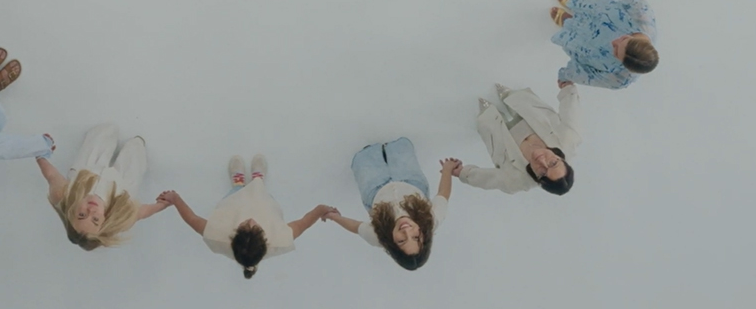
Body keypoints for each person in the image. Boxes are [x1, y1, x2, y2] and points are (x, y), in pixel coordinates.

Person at [159, 156, 333, 278]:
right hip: (263, 202)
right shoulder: (281, 239)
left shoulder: (217, 235)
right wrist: (319, 210)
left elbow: (192, 219)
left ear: (233, 236)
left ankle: (238, 183)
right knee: (261, 192)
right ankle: (258, 182)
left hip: (234, 203)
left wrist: (175, 199)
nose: (250, 220)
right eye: (256, 227)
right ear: (265, 239)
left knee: (236, 193)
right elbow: (303, 223)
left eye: (244, 226)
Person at [318, 140, 456, 270]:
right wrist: (447, 170)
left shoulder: (377, 237)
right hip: (411, 182)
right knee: (400, 146)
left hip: (375, 191)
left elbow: (355, 226)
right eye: (415, 237)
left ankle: (371, 154)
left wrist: (334, 217)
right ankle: (393, 148)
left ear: (391, 243)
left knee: (363, 157)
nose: (406, 231)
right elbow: (443, 194)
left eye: (402, 240)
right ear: (424, 236)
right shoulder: (432, 219)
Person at [38, 125, 167, 250]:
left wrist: (39, 153)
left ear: (73, 210)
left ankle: (106, 133)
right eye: (95, 219)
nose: (91, 210)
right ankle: (137, 145)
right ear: (104, 221)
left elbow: (51, 175)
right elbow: (141, 213)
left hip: (89, 173)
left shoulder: (62, 195)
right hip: (119, 185)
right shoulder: (119, 218)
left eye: (82, 214)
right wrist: (162, 204)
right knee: (135, 151)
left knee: (104, 132)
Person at [452, 83, 581, 196]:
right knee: (511, 96)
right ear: (561, 158)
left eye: (542, 173)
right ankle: (509, 96)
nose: (541, 161)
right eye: (553, 163)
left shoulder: (517, 181)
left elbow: (488, 180)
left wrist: (463, 173)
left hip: (498, 130)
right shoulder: (569, 139)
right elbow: (571, 111)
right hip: (528, 111)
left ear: (538, 180)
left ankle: (490, 111)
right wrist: (567, 88)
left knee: (481, 107)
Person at [549, 0, 658, 90]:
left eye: (617, 51)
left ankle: (568, 22)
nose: (614, 43)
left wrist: (565, 76)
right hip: (603, 12)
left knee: (576, 33)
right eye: (623, 39)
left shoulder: (619, 79)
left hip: (588, 42)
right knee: (589, 5)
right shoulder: (642, 15)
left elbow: (586, 76)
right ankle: (576, 1)